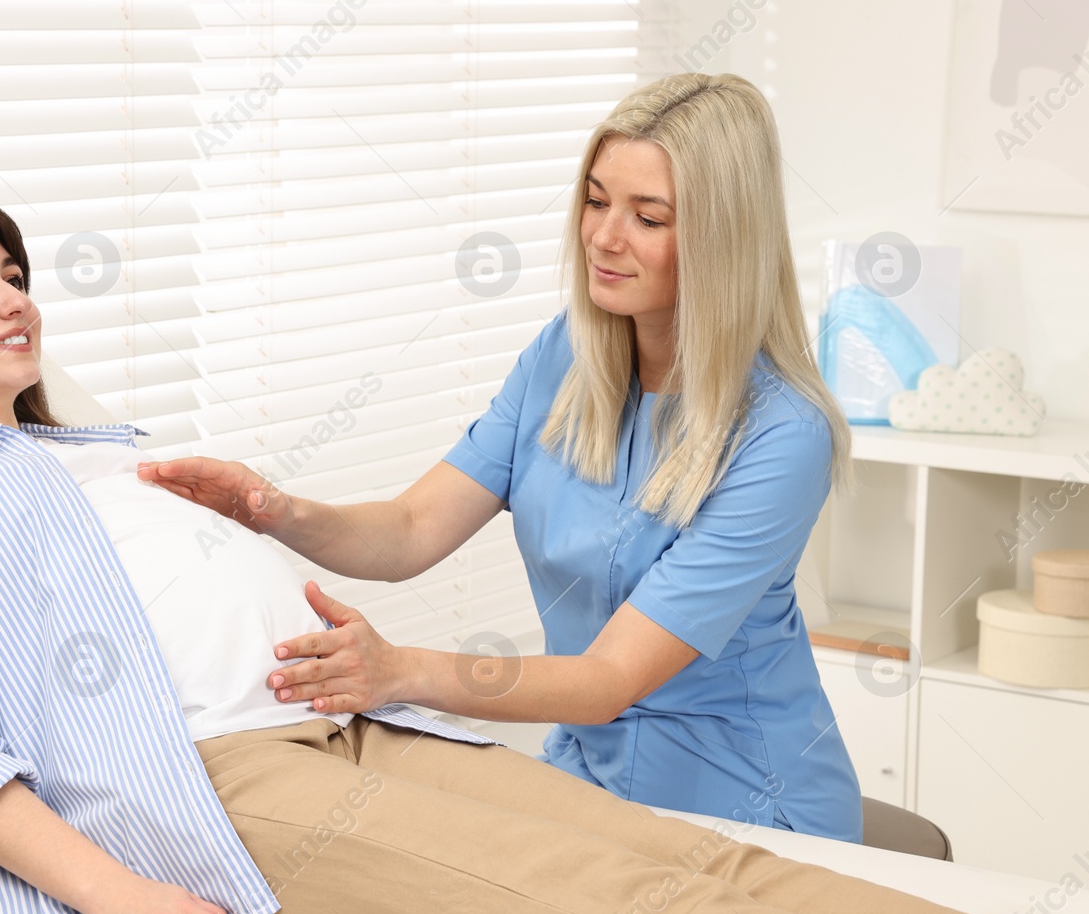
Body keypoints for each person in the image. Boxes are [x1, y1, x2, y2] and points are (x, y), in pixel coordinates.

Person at [0, 198, 1083, 914]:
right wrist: (114, 892)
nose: (14, 295)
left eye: (14, 270)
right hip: (217, 779)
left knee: (682, 852)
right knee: (582, 896)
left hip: (363, 717)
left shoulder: (94, 443)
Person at [138, 72, 865, 842]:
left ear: (724, 240)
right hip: (590, 785)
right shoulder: (564, 360)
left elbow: (608, 679)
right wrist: (277, 511)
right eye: (594, 200)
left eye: (647, 217)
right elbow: (415, 526)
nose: (604, 236)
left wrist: (398, 670)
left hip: (749, 808)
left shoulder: (783, 434)